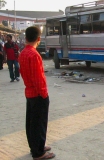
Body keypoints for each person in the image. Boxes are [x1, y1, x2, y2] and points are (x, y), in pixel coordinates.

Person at [18, 26, 55, 160]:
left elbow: (23, 73)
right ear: (38, 39)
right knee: (39, 123)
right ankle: (38, 152)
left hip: (29, 92)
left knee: (31, 123)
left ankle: (36, 146)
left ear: (26, 37)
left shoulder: (22, 53)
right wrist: (44, 94)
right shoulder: (34, 55)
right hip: (38, 93)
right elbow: (38, 78)